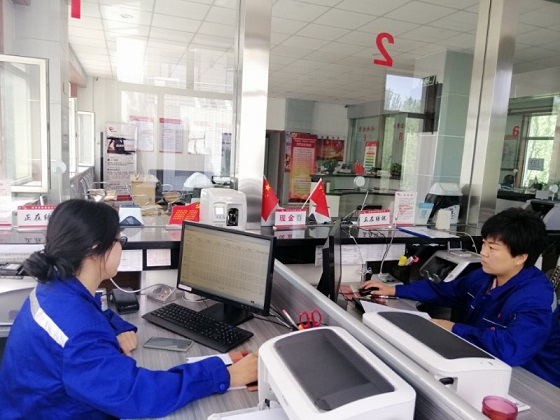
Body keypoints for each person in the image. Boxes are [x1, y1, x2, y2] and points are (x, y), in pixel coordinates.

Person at [0, 199, 258, 419]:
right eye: (118, 240)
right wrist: (224, 375)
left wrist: (116, 327)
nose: (121, 247)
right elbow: (139, 395)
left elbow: (89, 316)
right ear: (95, 248)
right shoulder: (79, 334)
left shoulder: (53, 287)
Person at [362, 207, 560, 387]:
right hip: (483, 360)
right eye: (484, 244)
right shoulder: (486, 276)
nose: (483, 253)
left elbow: (512, 349)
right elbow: (445, 291)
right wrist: (395, 290)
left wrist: (454, 329)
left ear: (520, 257)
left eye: (492, 248)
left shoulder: (535, 297)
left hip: (533, 380)